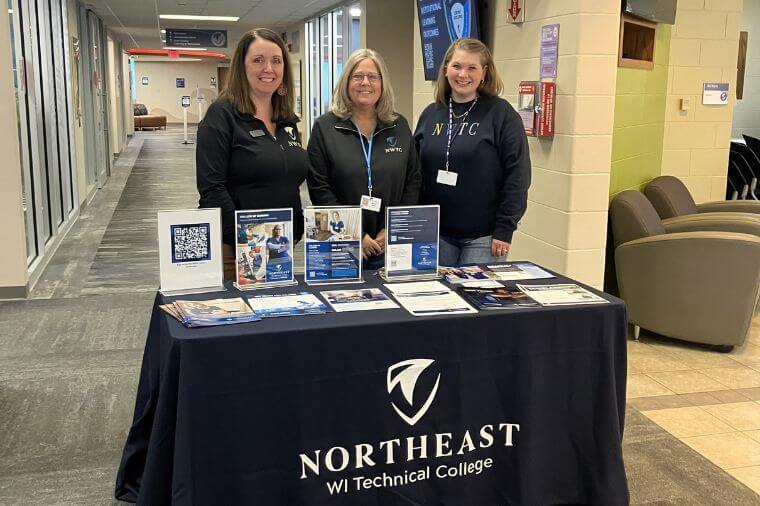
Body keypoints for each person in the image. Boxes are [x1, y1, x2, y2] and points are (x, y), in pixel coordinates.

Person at [196, 28, 307, 280]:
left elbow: (290, 181)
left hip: (279, 247)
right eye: (258, 60)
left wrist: (297, 227)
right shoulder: (221, 115)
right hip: (236, 252)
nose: (268, 68)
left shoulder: (286, 120)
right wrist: (247, 239)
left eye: (276, 61)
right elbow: (211, 189)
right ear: (241, 67)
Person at [414, 38, 530, 266]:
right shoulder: (431, 114)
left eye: (472, 67)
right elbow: (414, 172)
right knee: (438, 300)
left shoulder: (501, 114)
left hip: (483, 237)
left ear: (484, 72)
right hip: (435, 234)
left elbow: (518, 174)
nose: (462, 74)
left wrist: (505, 229)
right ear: (446, 68)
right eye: (456, 66)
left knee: (476, 299)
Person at [308, 48, 421, 269]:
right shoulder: (326, 127)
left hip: (390, 243)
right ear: (346, 82)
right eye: (357, 76)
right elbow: (319, 188)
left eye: (373, 77)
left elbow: (413, 180)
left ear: (382, 83)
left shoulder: (399, 125)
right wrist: (355, 234)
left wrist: (393, 227)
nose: (365, 83)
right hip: (340, 242)